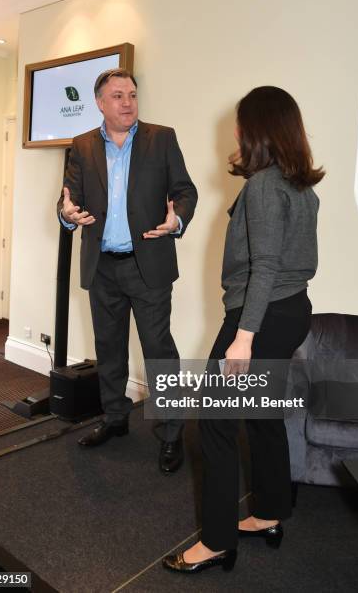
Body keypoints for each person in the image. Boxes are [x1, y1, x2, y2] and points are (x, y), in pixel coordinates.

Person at [163, 86, 324, 572]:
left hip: (262, 316)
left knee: (212, 425)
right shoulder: (302, 187)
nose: (234, 131)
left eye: (240, 123)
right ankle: (270, 513)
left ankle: (215, 542)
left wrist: (244, 336)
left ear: (253, 130)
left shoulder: (263, 187)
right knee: (263, 416)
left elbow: (267, 267)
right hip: (292, 310)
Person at [57, 68, 197, 473]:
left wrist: (178, 219)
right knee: (110, 349)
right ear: (100, 103)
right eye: (117, 95)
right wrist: (66, 215)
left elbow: (186, 191)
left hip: (147, 264)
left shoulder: (162, 138)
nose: (127, 102)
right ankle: (115, 419)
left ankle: (172, 434)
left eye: (132, 94)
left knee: (158, 351)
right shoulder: (82, 146)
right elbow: (67, 200)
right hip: (102, 266)